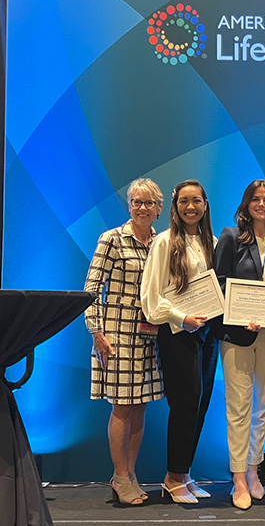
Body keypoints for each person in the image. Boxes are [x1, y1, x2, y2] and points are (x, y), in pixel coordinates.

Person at [84, 178, 164, 506]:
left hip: (149, 336)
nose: (142, 208)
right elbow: (92, 287)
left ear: (159, 209)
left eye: (149, 203)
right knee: (122, 406)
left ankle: (130, 474)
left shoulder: (161, 242)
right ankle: (118, 475)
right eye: (136, 202)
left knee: (140, 405)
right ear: (128, 205)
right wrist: (97, 332)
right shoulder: (112, 239)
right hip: (116, 336)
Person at [141, 179, 218, 504]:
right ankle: (172, 477)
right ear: (174, 206)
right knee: (184, 406)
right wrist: (180, 318)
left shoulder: (212, 242)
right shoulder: (163, 242)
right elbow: (150, 297)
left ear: (205, 205)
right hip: (177, 335)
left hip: (207, 334)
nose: (191, 207)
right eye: (184, 201)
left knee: (199, 407)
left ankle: (184, 473)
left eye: (197, 201)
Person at [214, 180, 265, 510]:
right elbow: (218, 283)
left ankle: (254, 470)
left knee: (262, 409)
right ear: (246, 204)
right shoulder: (230, 237)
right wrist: (240, 314)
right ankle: (238, 478)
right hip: (237, 336)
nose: (262, 204)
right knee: (238, 409)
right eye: (256, 199)